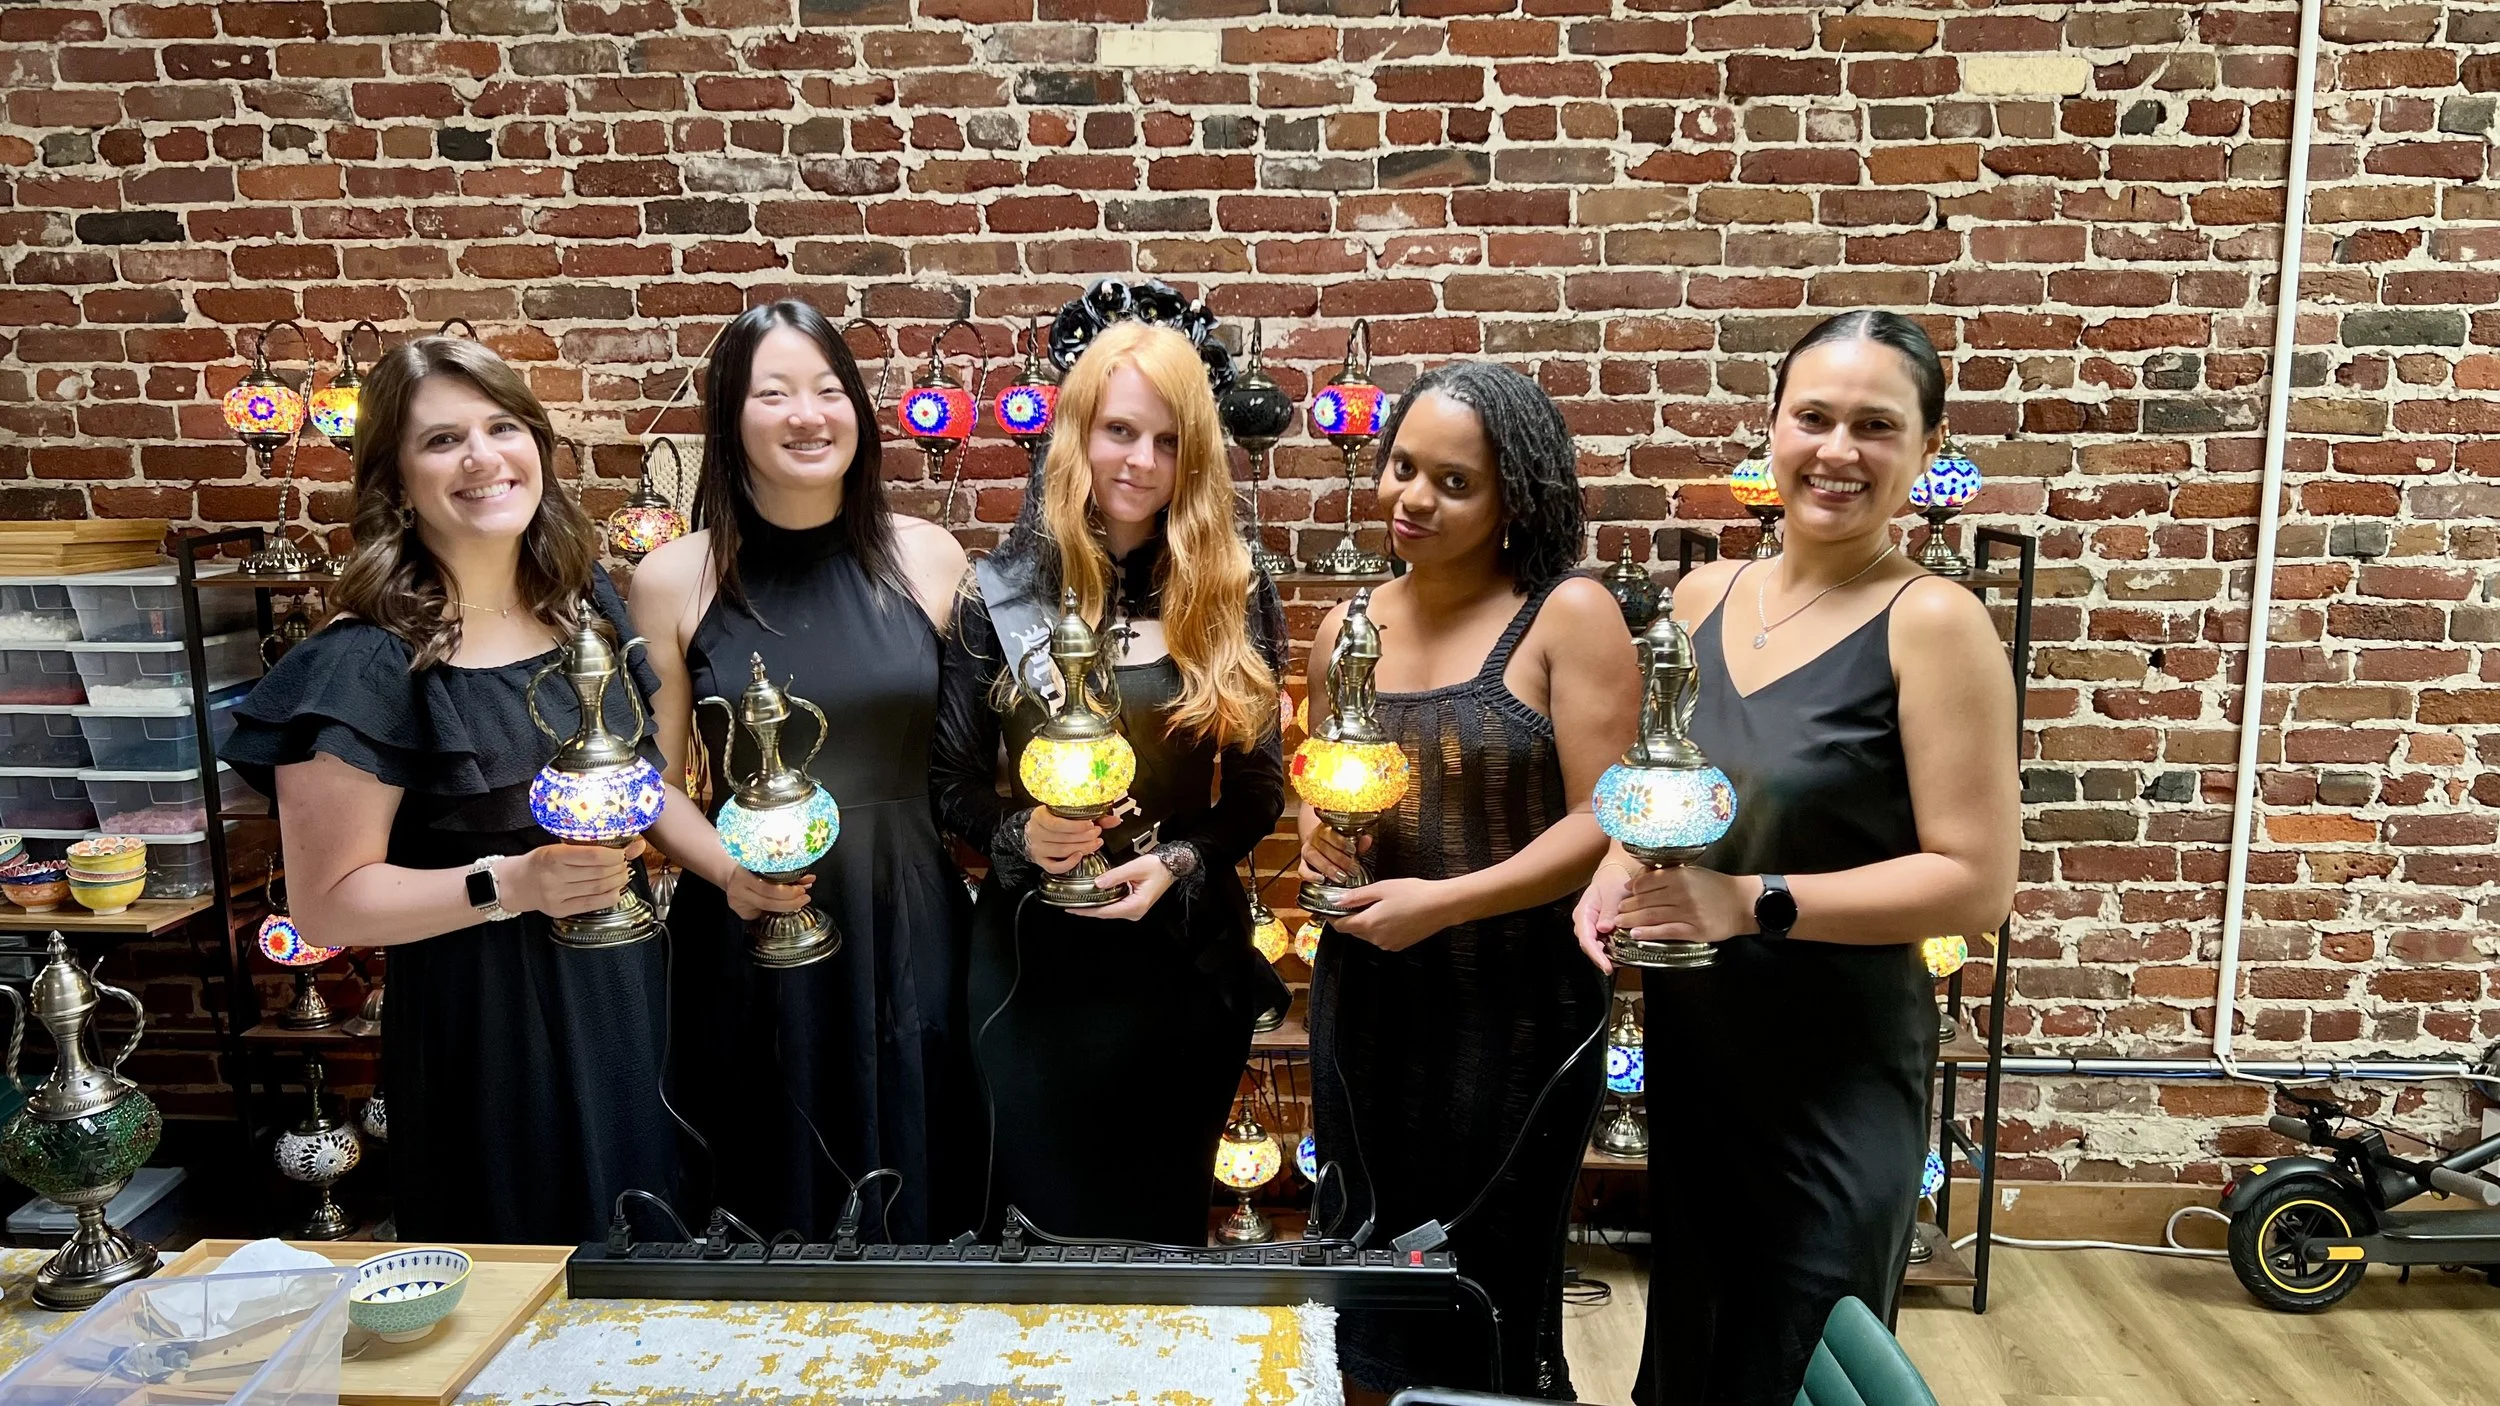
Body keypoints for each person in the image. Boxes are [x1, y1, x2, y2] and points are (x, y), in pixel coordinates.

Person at [225, 336, 810, 1244]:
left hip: (625, 992)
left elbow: (638, 783)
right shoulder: (361, 664)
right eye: (441, 440)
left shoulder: (581, 604)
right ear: (394, 479)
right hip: (487, 1026)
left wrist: (728, 873)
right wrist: (510, 886)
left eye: (503, 427)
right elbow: (327, 904)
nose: (482, 458)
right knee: (529, 1262)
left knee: (647, 1241)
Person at [1574, 311, 2020, 1406]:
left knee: (1797, 1359)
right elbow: (1668, 785)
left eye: (1876, 425)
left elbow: (1978, 881)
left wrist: (1747, 900)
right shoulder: (1698, 600)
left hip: (1836, 1078)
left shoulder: (1935, 621)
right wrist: (1613, 864)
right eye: (1812, 416)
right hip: (1702, 1060)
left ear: (1926, 449)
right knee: (1692, 1361)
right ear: (1769, 430)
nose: (1837, 449)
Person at [1298, 363, 1640, 1400]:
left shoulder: (1565, 614)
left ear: (1515, 499)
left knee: (1487, 1281)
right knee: (1365, 1270)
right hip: (1368, 999)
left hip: (1516, 1009)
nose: (1411, 497)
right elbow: (1326, 780)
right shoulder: (1346, 627)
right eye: (1403, 466)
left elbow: (1606, 815)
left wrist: (1440, 904)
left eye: (1453, 482)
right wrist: (1318, 834)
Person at [931, 318, 1289, 1246]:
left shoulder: (1234, 590)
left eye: (1169, 442)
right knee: (1032, 1229)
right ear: (1078, 433)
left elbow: (1257, 791)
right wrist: (1021, 838)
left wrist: (1176, 858)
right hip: (1028, 971)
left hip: (1179, 966)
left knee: (1160, 1233)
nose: (1140, 461)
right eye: (1120, 431)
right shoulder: (995, 591)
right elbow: (951, 779)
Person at [632, 301, 972, 1243]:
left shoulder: (928, 558)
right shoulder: (674, 577)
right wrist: (729, 876)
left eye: (829, 390)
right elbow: (650, 782)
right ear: (729, 418)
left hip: (908, 906)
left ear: (859, 412)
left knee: (918, 1150)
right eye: (772, 393)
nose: (807, 414)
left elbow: (973, 758)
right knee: (762, 1164)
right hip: (746, 912)